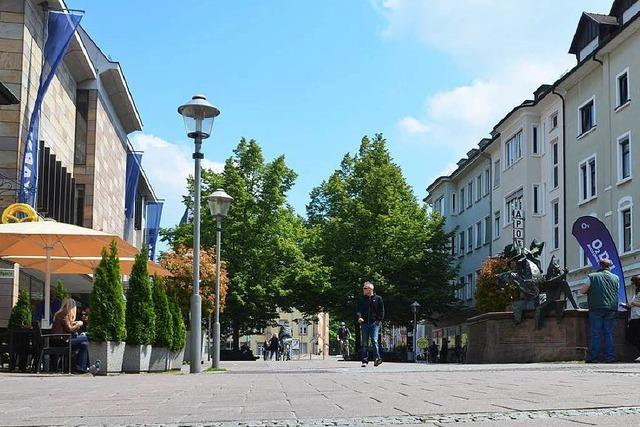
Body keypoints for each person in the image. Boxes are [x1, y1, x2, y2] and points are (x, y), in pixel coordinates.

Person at [580, 259, 619, 363]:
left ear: (600, 266)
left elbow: (582, 290)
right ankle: (609, 357)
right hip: (611, 308)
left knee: (596, 333)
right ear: (609, 267)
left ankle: (594, 358)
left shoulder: (592, 276)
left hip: (596, 307)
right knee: (608, 333)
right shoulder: (616, 278)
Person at [51, 298, 88, 373]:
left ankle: (80, 368)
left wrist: (74, 323)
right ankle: (80, 367)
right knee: (87, 337)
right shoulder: (64, 313)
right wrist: (78, 324)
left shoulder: (60, 313)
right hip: (63, 341)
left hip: (60, 340)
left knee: (84, 344)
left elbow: (66, 325)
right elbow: (70, 329)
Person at [356, 281, 384, 367]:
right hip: (364, 324)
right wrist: (359, 317)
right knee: (365, 343)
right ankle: (364, 361)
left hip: (374, 323)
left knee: (374, 340)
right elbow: (358, 310)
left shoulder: (378, 298)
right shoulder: (362, 299)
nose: (363, 290)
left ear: (370, 289)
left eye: (365, 288)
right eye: (363, 288)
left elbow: (381, 310)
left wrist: (379, 321)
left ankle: (377, 359)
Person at [622, 276, 640, 359]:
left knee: (633, 336)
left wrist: (633, 304)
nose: (632, 285)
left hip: (638, 317)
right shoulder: (636, 292)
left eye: (633, 283)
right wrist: (628, 305)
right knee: (630, 336)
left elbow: (636, 303)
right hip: (634, 317)